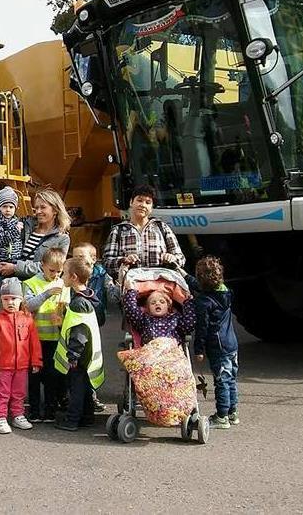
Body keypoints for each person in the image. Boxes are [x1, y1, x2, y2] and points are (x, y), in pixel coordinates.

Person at [53, 258, 105, 432]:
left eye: (64, 273)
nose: (61, 277)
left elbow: (79, 333)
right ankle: (87, 417)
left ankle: (72, 420)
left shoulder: (78, 303)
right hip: (88, 353)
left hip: (79, 355)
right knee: (85, 386)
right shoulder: (89, 295)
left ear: (73, 277)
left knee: (76, 388)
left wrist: (73, 355)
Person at [0, 278, 42, 434]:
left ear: (21, 299)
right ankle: (0, 417)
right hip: (4, 365)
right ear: (1, 300)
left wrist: (36, 360)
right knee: (2, 392)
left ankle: (17, 414)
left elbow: (34, 342)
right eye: (6, 299)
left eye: (14, 298)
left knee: (19, 392)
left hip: (22, 365)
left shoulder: (28, 319)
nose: (10, 302)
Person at [70, 242, 120, 412]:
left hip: (94, 323)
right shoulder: (71, 274)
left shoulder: (101, 274)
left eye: (82, 257)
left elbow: (113, 296)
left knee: (91, 361)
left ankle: (91, 396)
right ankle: (74, 398)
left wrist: (120, 282)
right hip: (74, 322)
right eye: (75, 257)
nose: (78, 260)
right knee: (74, 361)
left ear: (94, 259)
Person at [192, 256, 239, 430]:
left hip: (218, 346)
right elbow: (202, 287)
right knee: (231, 379)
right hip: (232, 344)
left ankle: (221, 417)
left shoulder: (204, 302)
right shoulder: (226, 291)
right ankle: (232, 413)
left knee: (221, 381)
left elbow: (202, 328)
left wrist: (198, 349)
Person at [23, 247, 69, 422]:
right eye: (52, 270)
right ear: (42, 266)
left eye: (59, 271)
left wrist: (63, 314)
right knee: (34, 376)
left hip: (54, 338)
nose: (56, 275)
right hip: (34, 339)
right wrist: (47, 294)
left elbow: (67, 306)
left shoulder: (63, 284)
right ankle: (34, 410)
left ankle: (50, 410)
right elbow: (28, 305)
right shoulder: (31, 283)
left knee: (52, 376)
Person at [102, 184, 185, 280]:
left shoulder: (162, 228)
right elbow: (107, 262)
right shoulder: (118, 230)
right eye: (139, 200)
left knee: (156, 296)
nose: (143, 205)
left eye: (148, 202)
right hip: (130, 286)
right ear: (131, 202)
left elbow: (181, 258)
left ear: (152, 207)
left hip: (160, 283)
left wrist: (172, 258)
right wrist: (124, 260)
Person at [0, 188, 71, 281]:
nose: (38, 211)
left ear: (55, 210)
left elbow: (54, 267)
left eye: (43, 207)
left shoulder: (62, 238)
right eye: (36, 207)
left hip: (37, 287)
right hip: (12, 281)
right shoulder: (25, 225)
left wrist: (15, 268)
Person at [122, 287, 198, 346]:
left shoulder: (175, 318)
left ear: (168, 307)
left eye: (162, 302)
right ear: (148, 308)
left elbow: (189, 323)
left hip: (171, 354)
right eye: (153, 303)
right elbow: (131, 309)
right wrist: (131, 291)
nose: (157, 304)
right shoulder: (143, 319)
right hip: (150, 354)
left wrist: (188, 302)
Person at [0, 186, 23, 266]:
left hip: (15, 261)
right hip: (1, 262)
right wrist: (15, 231)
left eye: (11, 207)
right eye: (4, 206)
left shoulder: (17, 222)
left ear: (15, 208)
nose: (8, 210)